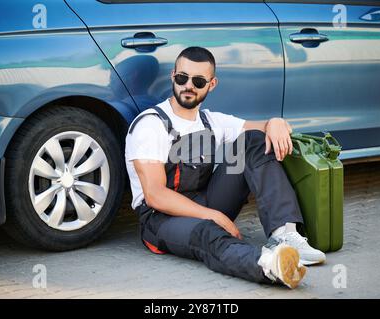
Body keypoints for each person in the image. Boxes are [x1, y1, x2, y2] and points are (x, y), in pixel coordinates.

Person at [125, 46, 325, 289]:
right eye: (182, 78)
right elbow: (155, 195)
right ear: (173, 76)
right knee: (207, 233)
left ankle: (284, 233)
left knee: (252, 140)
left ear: (212, 84)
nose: (188, 86)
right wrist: (214, 215)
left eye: (198, 81)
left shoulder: (211, 121)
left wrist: (275, 122)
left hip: (205, 202)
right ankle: (269, 265)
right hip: (162, 219)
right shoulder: (151, 125)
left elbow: (259, 128)